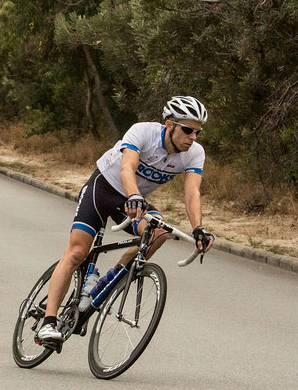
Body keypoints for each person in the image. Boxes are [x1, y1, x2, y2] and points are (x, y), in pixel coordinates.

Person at [36, 96, 217, 342]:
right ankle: (48, 322)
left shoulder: (194, 153)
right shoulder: (143, 132)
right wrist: (133, 194)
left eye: (197, 132)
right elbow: (127, 168)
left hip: (133, 200)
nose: (192, 137)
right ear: (169, 124)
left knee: (158, 232)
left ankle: (112, 279)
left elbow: (192, 192)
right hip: (104, 189)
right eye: (187, 130)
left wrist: (198, 229)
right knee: (78, 252)